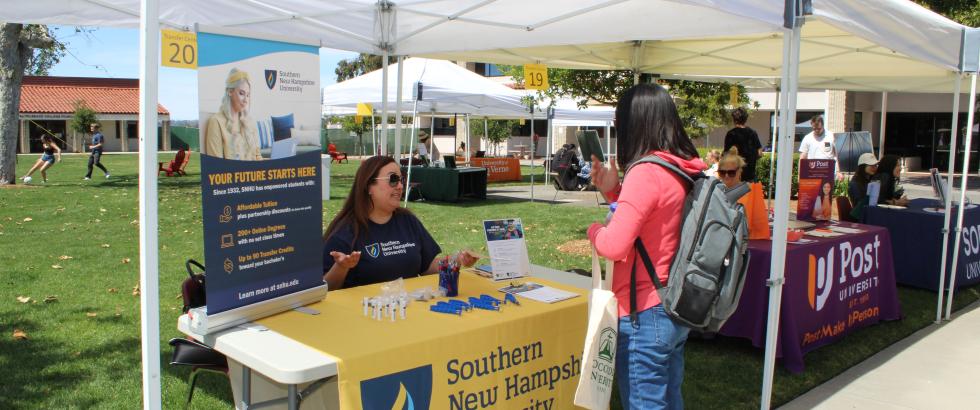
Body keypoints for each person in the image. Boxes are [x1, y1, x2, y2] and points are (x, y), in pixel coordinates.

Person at [588, 83, 705, 409]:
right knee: (669, 399)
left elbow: (613, 245)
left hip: (643, 313)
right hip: (674, 305)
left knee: (646, 402)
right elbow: (655, 226)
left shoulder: (646, 172)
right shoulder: (682, 167)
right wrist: (614, 193)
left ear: (635, 122)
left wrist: (594, 230)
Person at [322, 156, 480, 289]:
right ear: (369, 186)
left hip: (409, 312)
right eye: (393, 179)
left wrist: (457, 260)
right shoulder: (345, 231)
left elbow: (427, 266)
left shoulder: (408, 221)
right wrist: (341, 267)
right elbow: (326, 288)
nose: (400, 186)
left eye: (401, 179)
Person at [204, 68, 262, 161]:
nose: (246, 100)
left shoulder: (250, 122)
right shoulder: (216, 122)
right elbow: (215, 166)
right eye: (242, 93)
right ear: (230, 91)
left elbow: (258, 156)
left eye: (248, 95)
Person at [723, 107, 762, 181]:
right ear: (746, 119)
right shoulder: (753, 133)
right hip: (751, 175)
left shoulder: (731, 134)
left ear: (734, 119)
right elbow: (760, 153)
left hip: (735, 175)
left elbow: (726, 154)